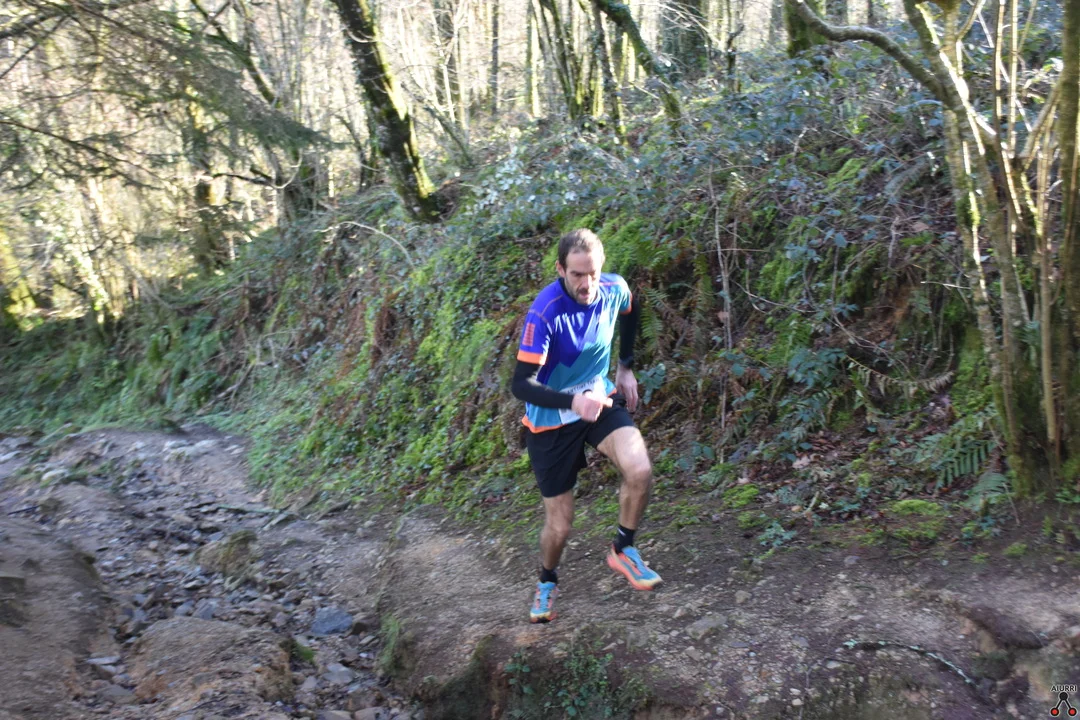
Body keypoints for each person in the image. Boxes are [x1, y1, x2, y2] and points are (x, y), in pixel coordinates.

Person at [511, 228, 661, 624]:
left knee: (639, 469)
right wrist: (572, 402)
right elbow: (520, 384)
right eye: (577, 274)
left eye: (593, 273)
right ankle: (547, 580)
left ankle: (623, 549)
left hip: (598, 396)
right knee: (560, 526)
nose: (587, 284)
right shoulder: (545, 312)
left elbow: (631, 311)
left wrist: (625, 366)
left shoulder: (613, 289)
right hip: (550, 418)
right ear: (560, 270)